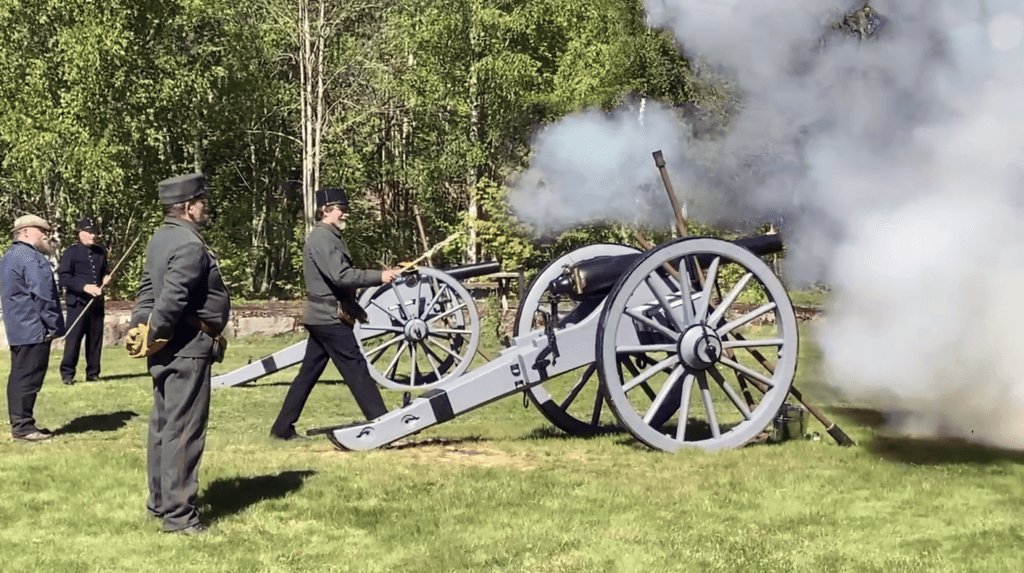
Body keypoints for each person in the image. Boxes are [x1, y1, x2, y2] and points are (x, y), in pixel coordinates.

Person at [130, 173, 230, 535]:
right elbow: (171, 299)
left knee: (163, 427)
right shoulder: (189, 244)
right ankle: (180, 517)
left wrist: (142, 328)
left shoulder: (160, 239)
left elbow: (146, 292)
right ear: (190, 207)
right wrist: (155, 329)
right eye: (203, 203)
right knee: (184, 431)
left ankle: (160, 504)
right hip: (187, 347)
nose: (207, 209)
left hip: (165, 348)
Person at [270, 187, 399, 441]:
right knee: (356, 369)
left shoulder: (328, 236)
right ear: (326, 211)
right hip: (329, 319)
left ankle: (282, 429)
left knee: (308, 374)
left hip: (323, 316)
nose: (346, 214)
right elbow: (341, 277)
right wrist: (379, 276)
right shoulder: (322, 239)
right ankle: (383, 425)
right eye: (341, 209)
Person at [0, 215, 65, 442]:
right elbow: (43, 295)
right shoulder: (30, 257)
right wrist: (55, 325)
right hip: (33, 327)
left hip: (18, 327)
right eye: (42, 231)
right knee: (28, 379)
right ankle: (23, 427)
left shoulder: (9, 256)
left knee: (19, 376)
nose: (46, 235)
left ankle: (22, 423)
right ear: (25, 232)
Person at [57, 217, 110, 384]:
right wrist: (85, 287)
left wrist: (107, 278)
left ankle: (93, 373)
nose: (93, 236)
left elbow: (104, 273)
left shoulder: (100, 252)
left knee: (95, 340)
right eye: (89, 232)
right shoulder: (70, 253)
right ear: (80, 234)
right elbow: (64, 279)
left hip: (96, 304)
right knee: (73, 340)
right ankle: (67, 374)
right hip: (77, 304)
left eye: (94, 232)